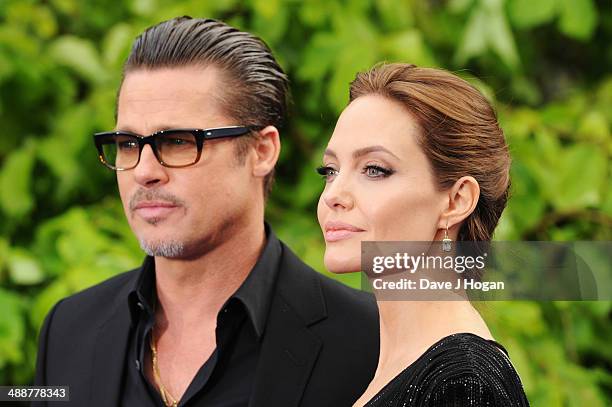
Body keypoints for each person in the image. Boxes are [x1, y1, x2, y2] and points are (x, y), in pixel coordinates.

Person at [33, 16, 379, 407]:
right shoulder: (68, 329)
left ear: (262, 151)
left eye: (178, 142)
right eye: (128, 144)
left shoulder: (372, 341)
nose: (145, 171)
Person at [316, 63, 530, 406]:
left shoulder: (463, 382)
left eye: (374, 170)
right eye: (330, 170)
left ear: (456, 201)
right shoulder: (382, 368)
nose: (332, 195)